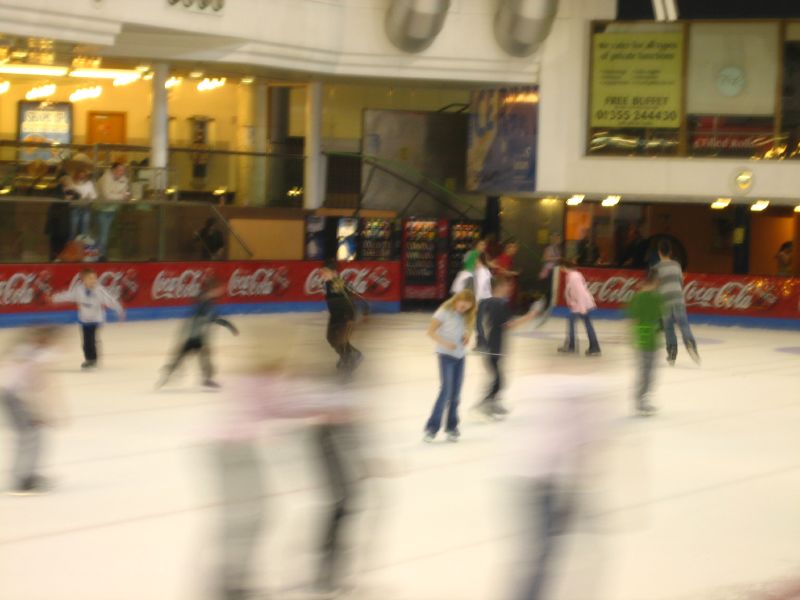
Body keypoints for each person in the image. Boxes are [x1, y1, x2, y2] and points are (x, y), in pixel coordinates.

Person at [1, 326, 65, 494]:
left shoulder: (26, 350)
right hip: (15, 398)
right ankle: (23, 479)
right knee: (30, 437)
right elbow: (31, 386)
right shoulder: (36, 356)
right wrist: (41, 412)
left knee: (31, 436)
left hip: (13, 396)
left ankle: (27, 475)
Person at [475, 276, 542, 419]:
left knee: (498, 379)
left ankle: (492, 403)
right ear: (498, 287)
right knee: (499, 380)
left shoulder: (491, 302)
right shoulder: (499, 304)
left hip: (493, 346)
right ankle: (485, 404)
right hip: (495, 347)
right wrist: (531, 315)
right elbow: (509, 325)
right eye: (506, 285)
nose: (509, 288)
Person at [157, 277, 239, 389]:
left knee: (195, 357)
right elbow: (204, 312)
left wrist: (229, 326)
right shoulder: (203, 302)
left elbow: (215, 318)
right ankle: (171, 373)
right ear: (212, 290)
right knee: (194, 357)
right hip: (194, 336)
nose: (219, 292)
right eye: (216, 289)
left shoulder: (209, 303)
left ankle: (170, 373)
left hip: (197, 337)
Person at [424, 289, 477, 443]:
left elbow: (466, 331)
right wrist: (445, 343)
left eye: (467, 308)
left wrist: (466, 337)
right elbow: (430, 332)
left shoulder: (466, 315)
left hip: (460, 357)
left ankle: (452, 427)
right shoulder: (443, 312)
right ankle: (432, 429)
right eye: (462, 306)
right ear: (456, 300)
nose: (463, 309)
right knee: (446, 391)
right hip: (445, 356)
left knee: (456, 394)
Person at [51, 268, 125, 369]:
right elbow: (68, 296)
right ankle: (88, 359)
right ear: (83, 280)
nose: (93, 280)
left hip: (96, 319)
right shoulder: (78, 290)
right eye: (90, 278)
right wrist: (54, 298)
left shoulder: (99, 290)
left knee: (92, 339)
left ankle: (93, 359)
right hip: (84, 320)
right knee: (85, 342)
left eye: (95, 278)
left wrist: (119, 310)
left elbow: (110, 300)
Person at [653, 239, 700, 366]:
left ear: (659, 252)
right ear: (671, 252)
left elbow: (655, 286)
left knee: (668, 328)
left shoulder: (656, 268)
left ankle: (672, 352)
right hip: (678, 299)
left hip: (664, 301)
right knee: (684, 325)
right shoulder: (676, 265)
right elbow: (680, 282)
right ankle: (690, 343)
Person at [626, 270, 664, 416]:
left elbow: (632, 319)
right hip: (651, 336)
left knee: (645, 371)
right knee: (648, 372)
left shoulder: (638, 297)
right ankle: (641, 400)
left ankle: (641, 399)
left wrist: (632, 336)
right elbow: (661, 319)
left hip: (643, 335)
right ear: (654, 282)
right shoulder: (656, 298)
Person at [320, 260, 364, 373]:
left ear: (334, 273)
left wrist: (350, 317)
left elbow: (348, 301)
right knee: (331, 338)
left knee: (339, 339)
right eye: (322, 272)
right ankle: (347, 356)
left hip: (343, 316)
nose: (323, 274)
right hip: (335, 315)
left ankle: (352, 358)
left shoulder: (336, 284)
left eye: (326, 272)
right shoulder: (329, 283)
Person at [558, 260, 601, 356]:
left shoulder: (574, 277)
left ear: (564, 266)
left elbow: (580, 292)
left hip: (581, 305)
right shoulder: (572, 275)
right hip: (580, 305)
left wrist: (582, 308)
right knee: (586, 324)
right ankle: (594, 347)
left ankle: (571, 346)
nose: (560, 269)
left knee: (573, 321)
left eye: (561, 267)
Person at [96, 162, 131, 260]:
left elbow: (126, 194)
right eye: (119, 170)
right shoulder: (105, 179)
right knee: (103, 233)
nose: (121, 172)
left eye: (123, 170)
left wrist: (118, 196)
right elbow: (107, 196)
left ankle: (102, 254)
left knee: (108, 234)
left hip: (114, 209)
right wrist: (120, 196)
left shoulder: (124, 180)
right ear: (113, 170)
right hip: (101, 209)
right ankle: (100, 256)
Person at [63, 166, 97, 239]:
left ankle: (82, 247)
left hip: (86, 208)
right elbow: (68, 194)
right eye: (80, 175)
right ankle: (71, 247)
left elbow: (94, 195)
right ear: (76, 175)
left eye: (83, 175)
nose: (81, 177)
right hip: (75, 208)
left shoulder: (89, 183)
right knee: (73, 230)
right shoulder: (71, 183)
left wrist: (89, 197)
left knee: (84, 231)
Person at [474, 253, 494, 349]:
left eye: (476, 260)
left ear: (479, 261)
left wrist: (477, 302)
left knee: (478, 322)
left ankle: (483, 343)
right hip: (487, 298)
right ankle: (479, 343)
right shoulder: (486, 271)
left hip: (482, 299)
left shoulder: (482, 271)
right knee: (479, 322)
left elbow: (480, 288)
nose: (475, 262)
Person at [539, 232, 562, 308]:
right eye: (557, 238)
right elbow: (545, 258)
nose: (559, 240)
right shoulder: (549, 248)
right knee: (549, 288)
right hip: (549, 270)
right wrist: (556, 258)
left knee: (553, 288)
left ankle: (551, 304)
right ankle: (547, 305)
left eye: (559, 238)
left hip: (555, 270)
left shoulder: (558, 248)